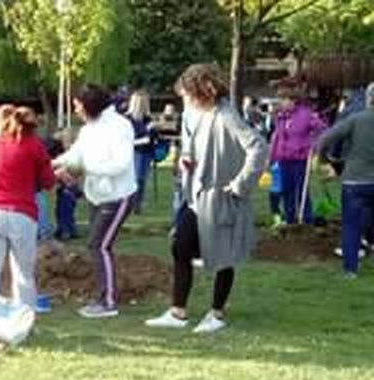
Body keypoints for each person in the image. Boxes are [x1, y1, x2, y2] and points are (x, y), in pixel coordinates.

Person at [146, 64, 267, 333]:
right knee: (180, 246)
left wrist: (240, 184)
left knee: (224, 255)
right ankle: (178, 312)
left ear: (202, 91)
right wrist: (187, 159)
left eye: (187, 94)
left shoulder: (226, 115)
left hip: (222, 196)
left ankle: (217, 313)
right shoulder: (193, 113)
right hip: (195, 196)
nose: (184, 100)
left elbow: (258, 146)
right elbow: (193, 145)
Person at [0, 105, 55, 340]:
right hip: (23, 214)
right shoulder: (35, 147)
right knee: (23, 271)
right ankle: (24, 321)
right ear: (32, 127)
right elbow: (48, 182)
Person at [53, 85, 138, 319]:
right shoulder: (89, 129)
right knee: (99, 246)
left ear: (89, 105)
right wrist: (52, 164)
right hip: (97, 196)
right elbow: (76, 155)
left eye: (78, 105)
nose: (76, 110)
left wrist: (85, 168)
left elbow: (120, 164)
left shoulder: (120, 126)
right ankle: (102, 294)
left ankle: (107, 302)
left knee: (98, 245)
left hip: (118, 195)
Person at [316, 83, 374, 278]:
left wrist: (326, 161)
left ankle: (351, 270)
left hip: (355, 181)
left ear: (368, 99)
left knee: (351, 226)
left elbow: (324, 140)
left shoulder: (355, 119)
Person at [270, 85, 327, 224]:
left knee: (301, 190)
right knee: (286, 190)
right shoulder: (280, 116)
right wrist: (272, 157)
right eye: (281, 99)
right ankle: (290, 219)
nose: (282, 103)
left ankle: (307, 219)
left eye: (284, 99)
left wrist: (313, 146)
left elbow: (323, 129)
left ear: (293, 100)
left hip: (300, 159)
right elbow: (277, 137)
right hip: (284, 159)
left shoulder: (305, 114)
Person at [127, 91, 155, 214]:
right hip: (135, 151)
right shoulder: (128, 120)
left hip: (146, 151)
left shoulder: (148, 118)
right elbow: (127, 140)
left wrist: (153, 130)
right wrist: (145, 135)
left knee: (142, 179)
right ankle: (131, 203)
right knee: (136, 178)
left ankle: (138, 205)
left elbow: (152, 137)